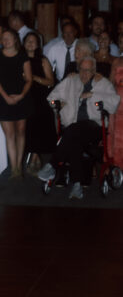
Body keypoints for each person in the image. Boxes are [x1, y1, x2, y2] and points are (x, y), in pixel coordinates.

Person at [39, 56, 120, 199]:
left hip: (94, 126)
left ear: (94, 70)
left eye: (88, 71)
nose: (84, 74)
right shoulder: (71, 80)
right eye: (81, 70)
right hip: (72, 126)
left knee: (73, 131)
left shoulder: (103, 83)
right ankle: (77, 186)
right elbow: (51, 98)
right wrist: (57, 103)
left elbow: (114, 102)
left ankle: (52, 164)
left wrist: (93, 95)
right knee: (74, 138)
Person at [0, 29, 32, 177]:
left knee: (20, 132)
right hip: (3, 97)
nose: (6, 40)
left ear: (15, 39)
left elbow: (29, 79)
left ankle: (19, 165)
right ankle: (14, 166)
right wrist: (5, 97)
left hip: (21, 96)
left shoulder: (23, 56)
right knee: (9, 133)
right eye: (3, 38)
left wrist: (21, 96)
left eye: (9, 37)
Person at [23, 32, 56, 172]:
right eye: (28, 41)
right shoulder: (20, 59)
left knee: (38, 126)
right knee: (28, 127)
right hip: (24, 96)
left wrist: (34, 78)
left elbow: (51, 81)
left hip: (40, 97)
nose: (30, 43)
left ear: (38, 44)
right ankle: (33, 157)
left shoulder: (43, 60)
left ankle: (35, 158)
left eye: (33, 41)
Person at [108, 57, 123, 168]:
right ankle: (117, 165)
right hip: (118, 103)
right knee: (118, 134)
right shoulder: (117, 61)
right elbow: (111, 82)